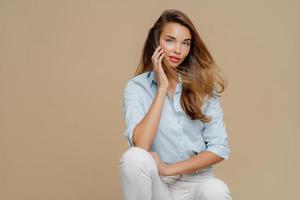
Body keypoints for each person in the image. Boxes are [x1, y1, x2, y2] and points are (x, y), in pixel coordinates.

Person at [119, 9, 232, 200]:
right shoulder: (137, 87)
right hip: (158, 187)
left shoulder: (203, 88)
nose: (178, 50)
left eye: (185, 43)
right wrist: (162, 88)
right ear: (156, 43)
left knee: (216, 190)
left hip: (197, 184)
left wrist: (168, 169)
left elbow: (218, 148)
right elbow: (141, 144)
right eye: (170, 40)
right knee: (133, 158)